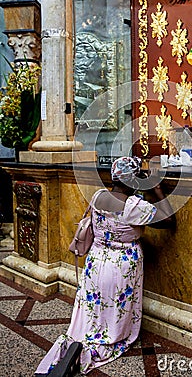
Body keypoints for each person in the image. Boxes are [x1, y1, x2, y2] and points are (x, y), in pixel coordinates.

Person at [34, 156, 175, 376]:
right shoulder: (134, 206)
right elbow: (169, 220)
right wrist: (156, 188)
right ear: (133, 180)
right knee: (115, 307)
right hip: (122, 265)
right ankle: (101, 342)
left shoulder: (98, 196)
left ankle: (77, 344)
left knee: (95, 305)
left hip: (96, 260)